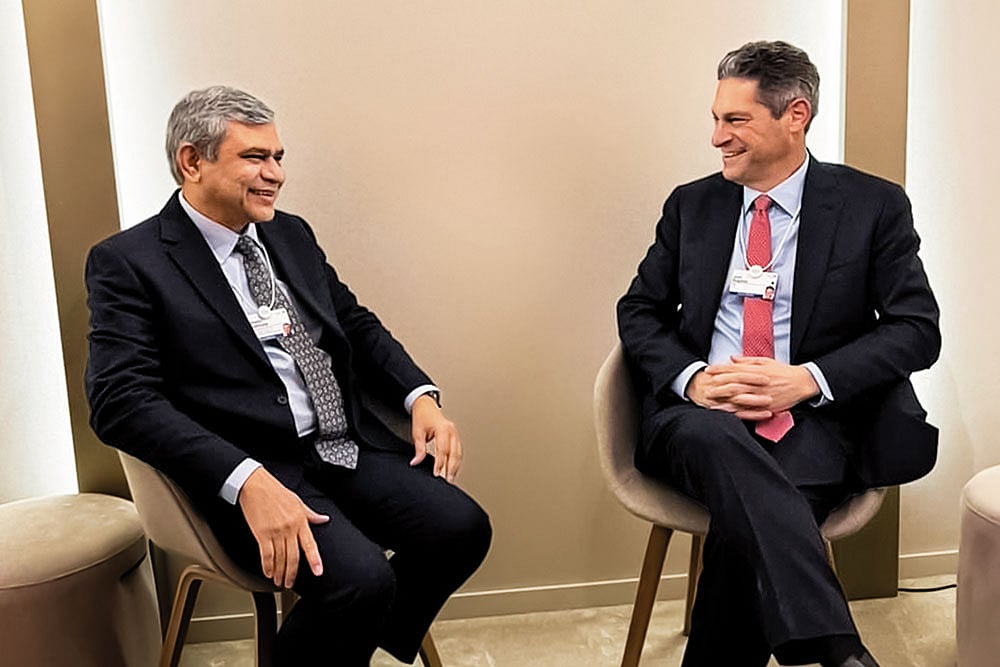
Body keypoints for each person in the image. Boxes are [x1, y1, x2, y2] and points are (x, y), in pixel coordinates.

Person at [86, 86, 491, 666]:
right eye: (254, 157)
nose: (274, 173)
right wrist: (246, 479)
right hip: (247, 468)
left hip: (339, 445)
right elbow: (119, 400)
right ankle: (342, 627)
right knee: (361, 581)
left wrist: (420, 397)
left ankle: (339, 642)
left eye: (278, 158)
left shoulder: (289, 234)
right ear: (192, 162)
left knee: (462, 529)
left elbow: (354, 323)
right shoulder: (129, 261)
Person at [617, 41, 940, 667]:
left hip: (813, 422)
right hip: (696, 420)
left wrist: (808, 380)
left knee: (749, 532)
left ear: (795, 115)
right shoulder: (693, 204)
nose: (717, 138)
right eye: (716, 118)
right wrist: (693, 380)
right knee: (724, 450)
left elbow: (917, 329)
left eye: (735, 121)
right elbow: (638, 312)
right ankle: (838, 649)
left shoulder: (872, 205)